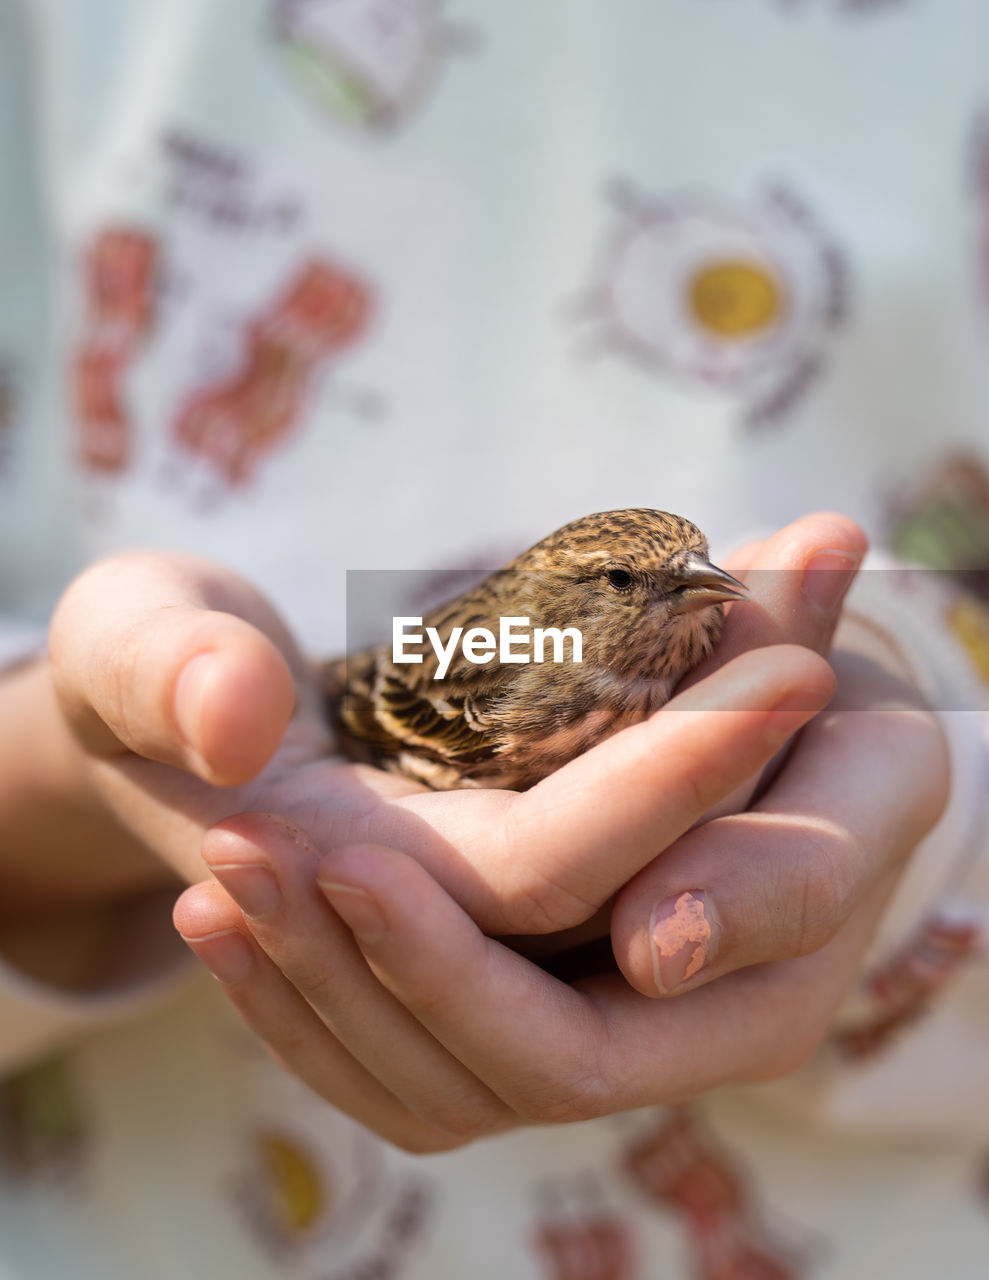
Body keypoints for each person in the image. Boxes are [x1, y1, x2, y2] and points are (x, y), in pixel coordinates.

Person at [1, 1, 988, 1276]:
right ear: (576, 598)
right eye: (641, 579)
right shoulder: (512, 688)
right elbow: (352, 706)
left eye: (689, 560)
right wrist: (74, 764)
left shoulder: (705, 653)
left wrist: (908, 829)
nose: (693, 587)